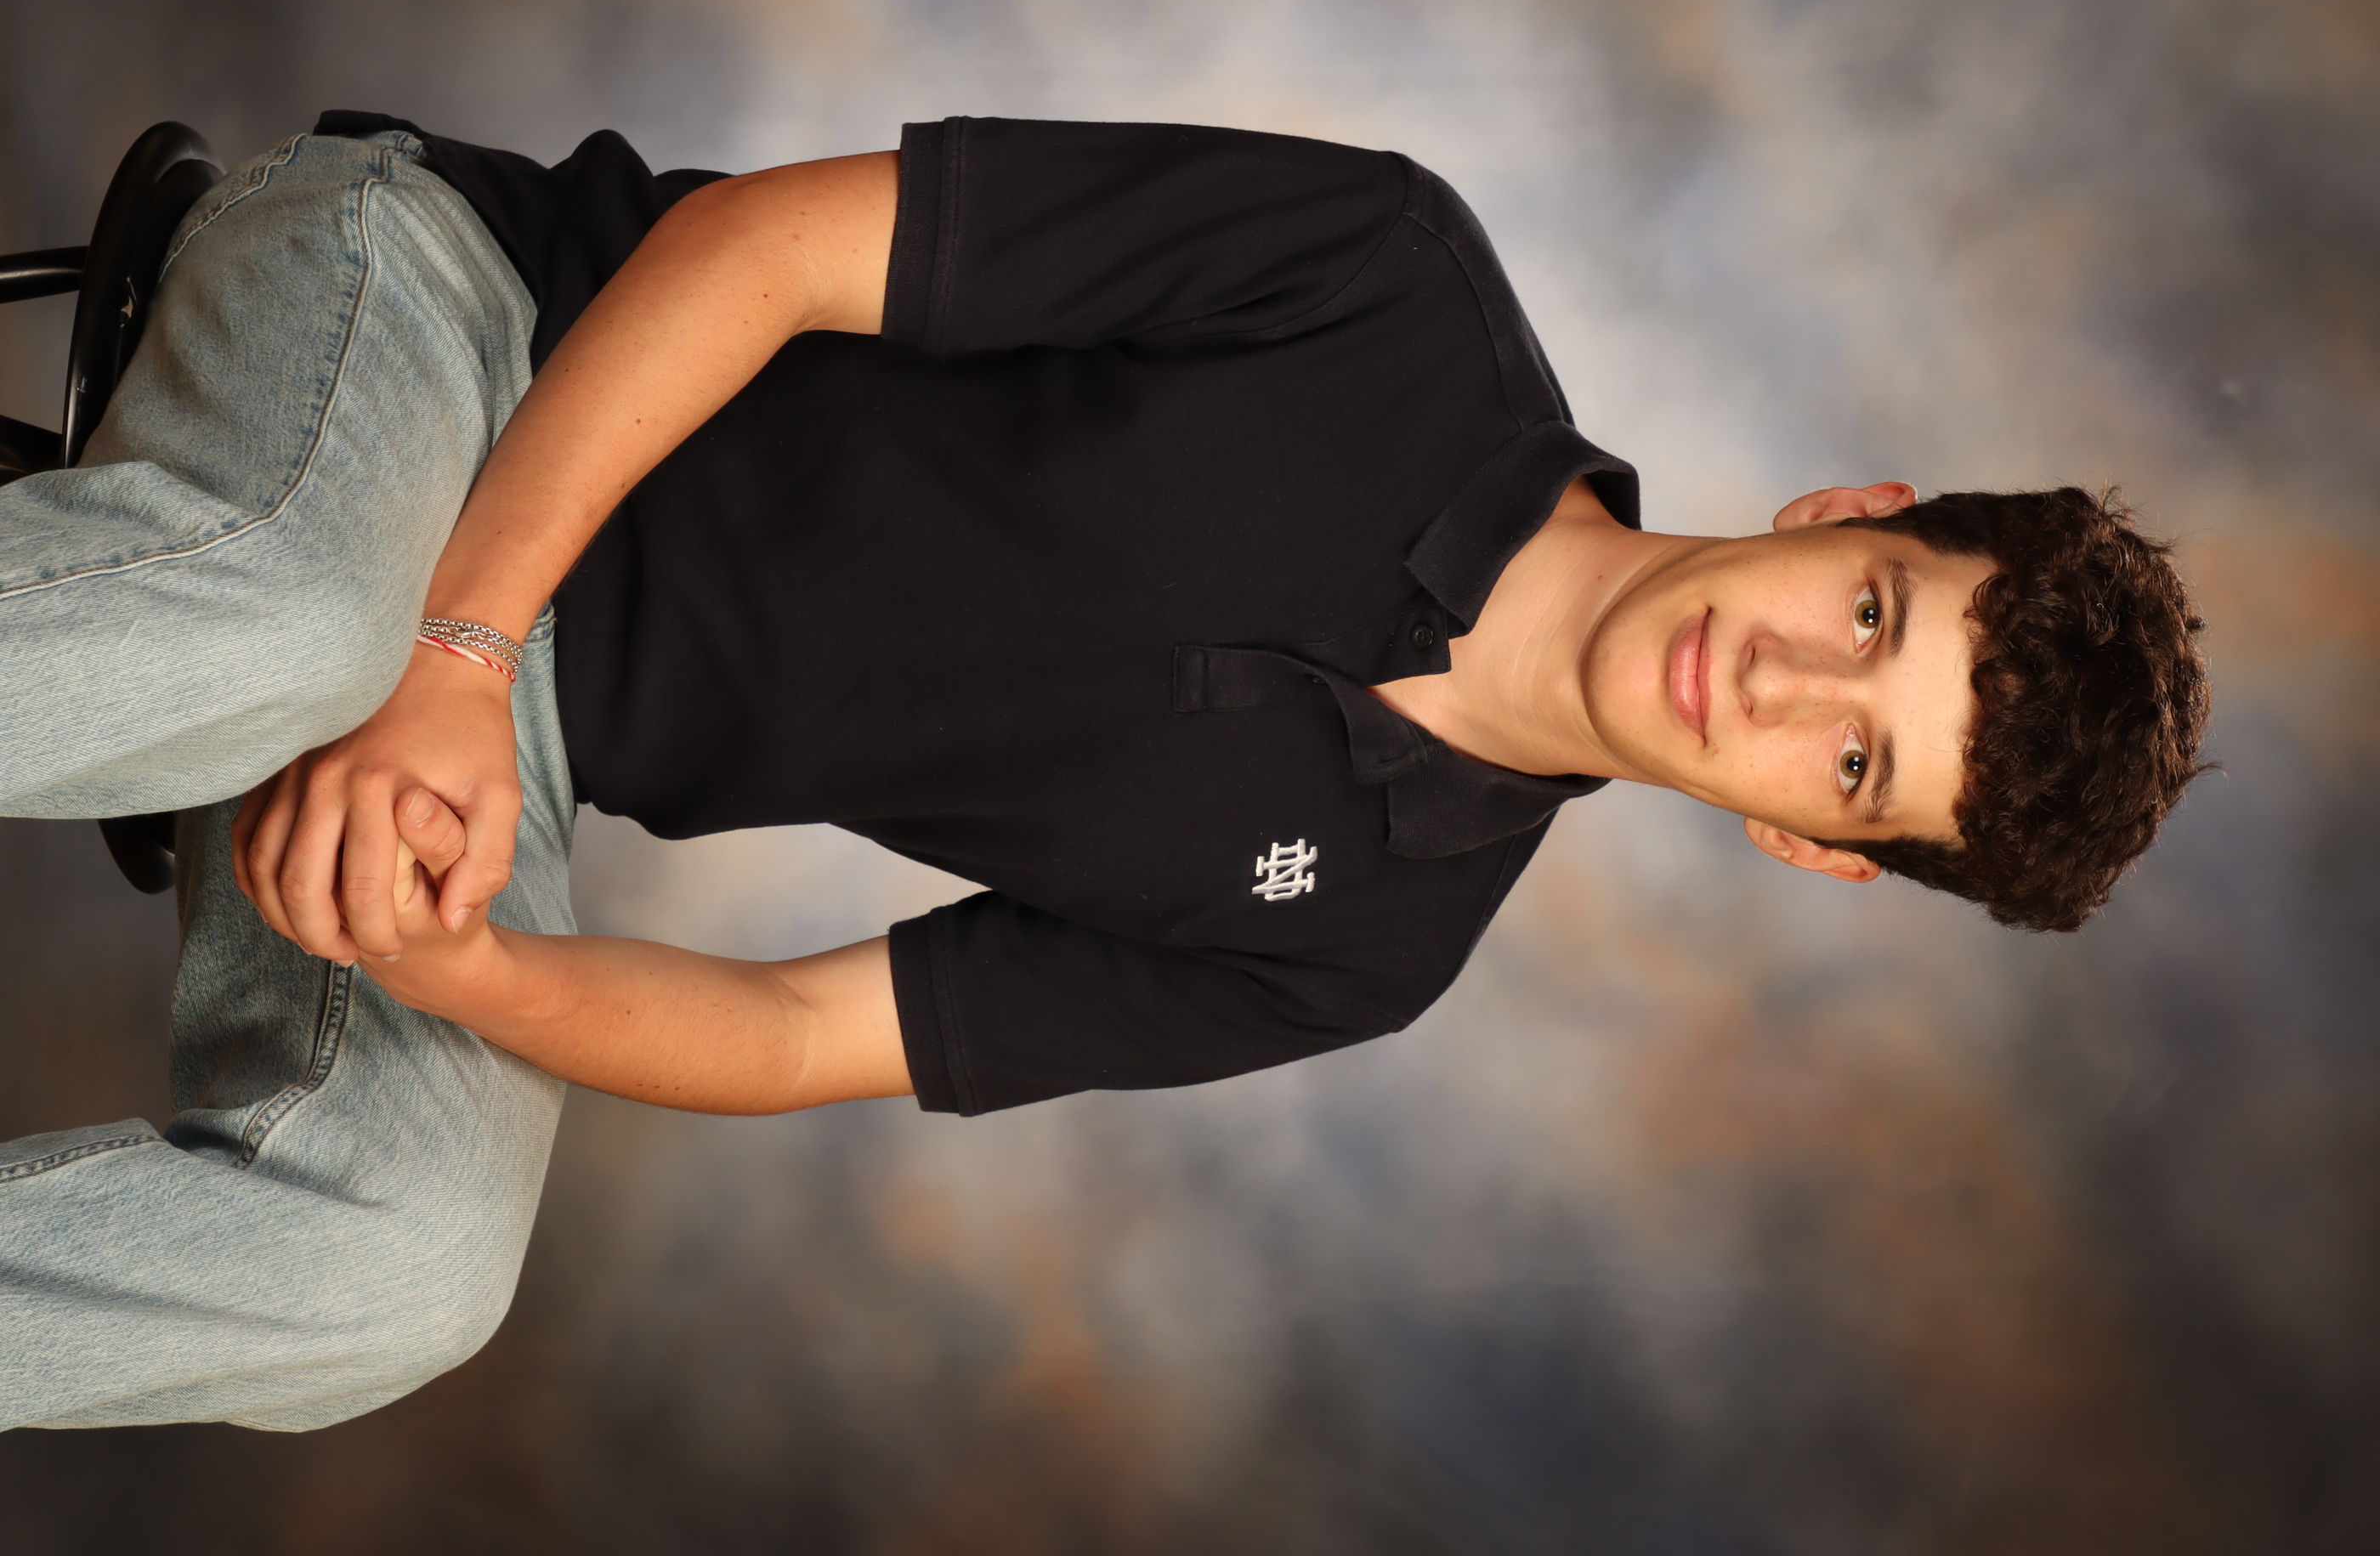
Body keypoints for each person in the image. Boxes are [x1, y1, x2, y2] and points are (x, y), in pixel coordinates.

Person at [0, 115, 2208, 1431]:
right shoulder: (1388, 287)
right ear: (1850, 516)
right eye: (1873, 617)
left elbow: (799, 1034)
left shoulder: (1371, 945)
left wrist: (463, 962)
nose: (1788, 684)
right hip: (464, 316)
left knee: (405, 1270)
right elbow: (759, 249)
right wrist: (457, 652)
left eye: (1855, 761)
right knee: (301, 632)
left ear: (1813, 848)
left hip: (512, 763)